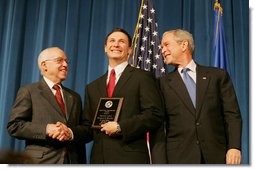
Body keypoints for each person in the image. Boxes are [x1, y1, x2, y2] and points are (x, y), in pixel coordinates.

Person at [159, 29, 242, 164]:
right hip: (180, 158)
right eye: (162, 47)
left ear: (184, 45)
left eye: (166, 45)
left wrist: (234, 147)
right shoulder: (162, 84)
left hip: (217, 156)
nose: (162, 50)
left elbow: (232, 114)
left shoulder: (217, 76)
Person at [83, 28, 165, 164]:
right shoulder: (92, 87)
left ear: (129, 50)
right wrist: (69, 132)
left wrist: (121, 127)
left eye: (121, 42)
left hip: (130, 158)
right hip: (99, 159)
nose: (116, 44)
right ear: (105, 48)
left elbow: (154, 114)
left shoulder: (142, 78)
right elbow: (88, 125)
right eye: (112, 41)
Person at [7, 47, 88, 164]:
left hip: (73, 161)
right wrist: (46, 129)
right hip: (41, 162)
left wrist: (70, 132)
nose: (65, 64)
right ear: (44, 65)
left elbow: (85, 130)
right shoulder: (29, 91)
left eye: (66, 61)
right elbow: (14, 126)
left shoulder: (75, 97)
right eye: (59, 60)